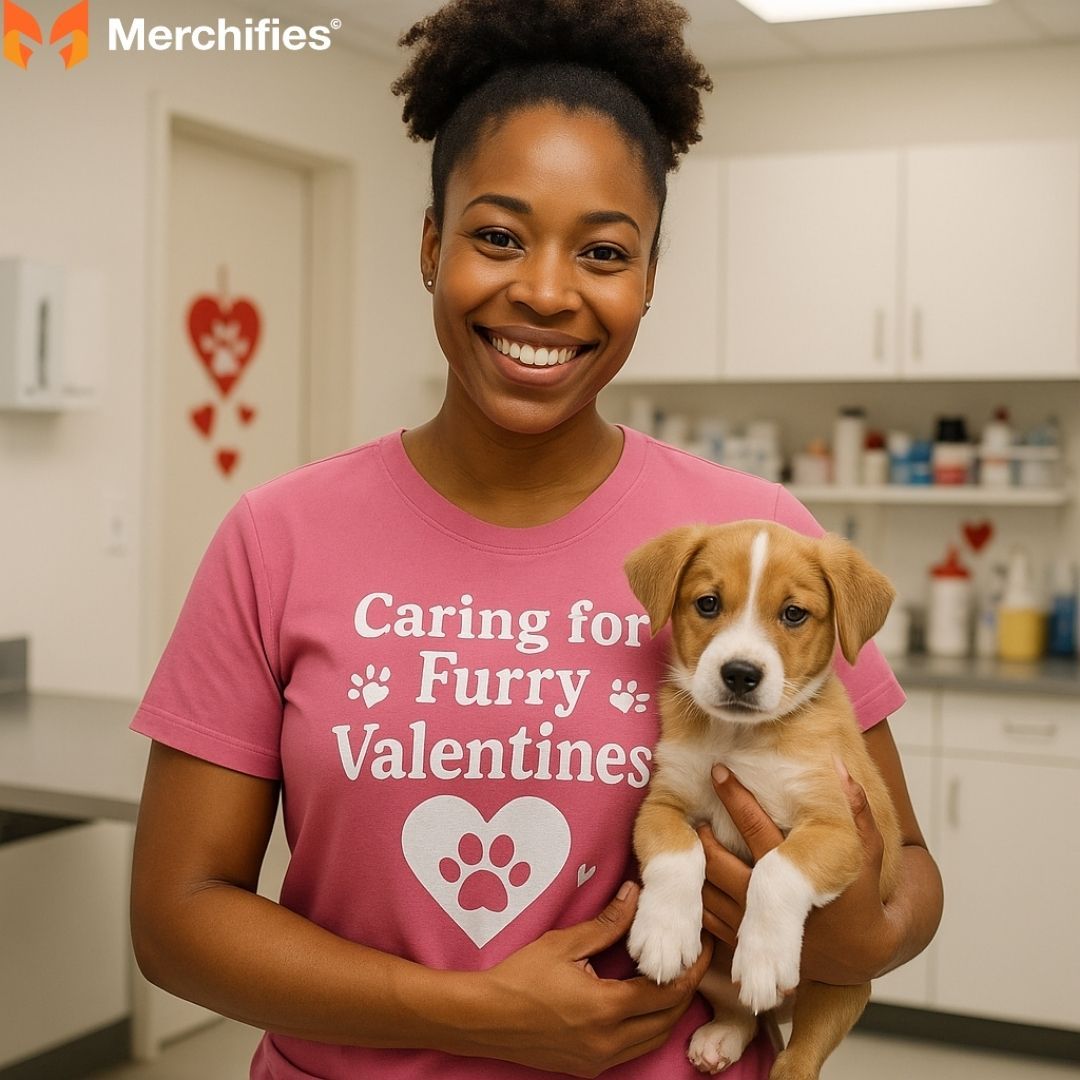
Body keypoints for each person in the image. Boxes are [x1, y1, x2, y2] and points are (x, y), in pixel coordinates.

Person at [129, 1, 943, 1077]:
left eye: (604, 251)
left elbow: (911, 871)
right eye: (499, 236)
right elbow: (177, 918)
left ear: (649, 276)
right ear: (432, 244)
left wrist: (856, 933)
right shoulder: (276, 538)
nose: (547, 291)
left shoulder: (759, 544)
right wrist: (468, 1011)